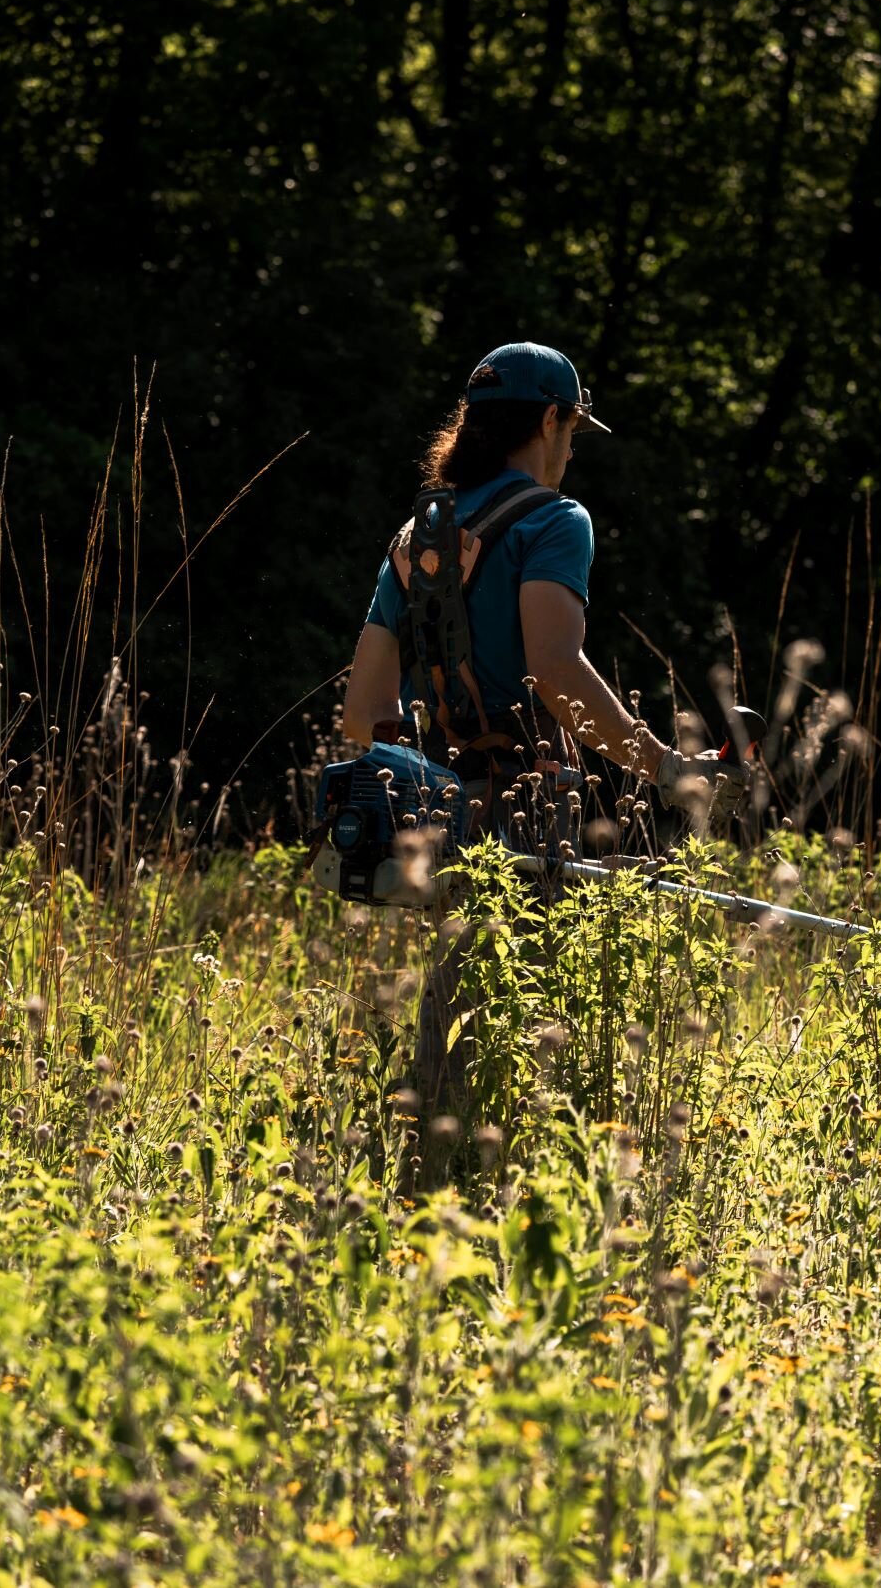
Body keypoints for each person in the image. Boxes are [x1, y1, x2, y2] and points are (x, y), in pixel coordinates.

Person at [341, 341, 741, 1159]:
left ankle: (429, 1174)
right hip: (531, 802)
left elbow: (363, 713)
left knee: (456, 1011)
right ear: (552, 420)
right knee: (528, 1024)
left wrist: (431, 786)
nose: (569, 447)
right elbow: (555, 670)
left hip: (439, 808)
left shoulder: (418, 537)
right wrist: (666, 768)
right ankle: (489, 1190)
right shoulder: (554, 520)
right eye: (572, 428)